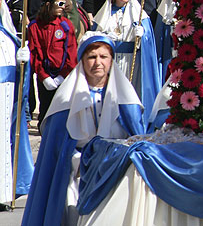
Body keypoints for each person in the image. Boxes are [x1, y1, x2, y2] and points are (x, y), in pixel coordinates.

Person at [21, 32, 145, 226]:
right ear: (82, 61)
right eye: (92, 57)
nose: (98, 63)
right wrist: (80, 162)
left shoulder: (125, 100)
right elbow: (56, 151)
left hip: (115, 170)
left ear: (112, 60)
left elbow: (137, 140)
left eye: (103, 57)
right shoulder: (66, 102)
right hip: (77, 172)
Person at [92, 0, 161, 123]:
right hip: (112, 61)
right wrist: (104, 37)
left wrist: (143, 35)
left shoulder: (139, 14)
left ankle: (132, 122)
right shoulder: (105, 14)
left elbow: (149, 43)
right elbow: (93, 39)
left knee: (131, 92)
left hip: (132, 62)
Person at [27, 0, 78, 130]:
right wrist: (43, 77)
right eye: (59, 3)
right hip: (45, 77)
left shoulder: (66, 26)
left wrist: (62, 76)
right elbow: (34, 53)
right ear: (49, 5)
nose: (63, 7)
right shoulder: (35, 26)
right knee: (45, 113)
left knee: (63, 113)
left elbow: (72, 53)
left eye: (64, 4)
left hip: (63, 76)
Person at [0, 0, 34, 204]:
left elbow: (19, 74)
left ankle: (4, 194)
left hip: (7, 95)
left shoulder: (8, 35)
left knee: (5, 140)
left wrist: (24, 62)